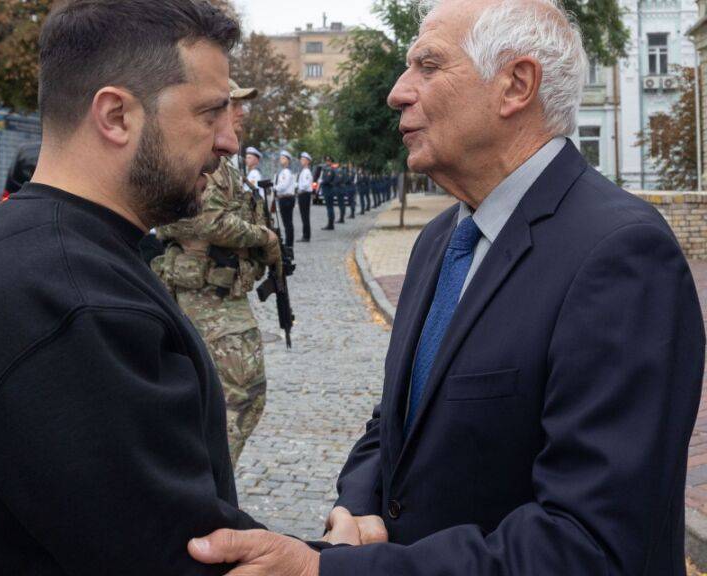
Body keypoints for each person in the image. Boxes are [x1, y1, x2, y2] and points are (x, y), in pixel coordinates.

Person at [187, 0, 706, 574]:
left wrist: (327, 570)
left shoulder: (620, 254)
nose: (398, 92)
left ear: (515, 85)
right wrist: (358, 506)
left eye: (428, 66)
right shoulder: (442, 238)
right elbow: (400, 419)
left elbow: (590, 543)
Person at [0, 1, 265, 573]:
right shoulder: (69, 296)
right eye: (209, 113)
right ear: (116, 116)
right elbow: (179, 556)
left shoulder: (48, 243)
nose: (228, 141)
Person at [153, 79, 280, 466]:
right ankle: (208, 483)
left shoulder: (224, 163)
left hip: (217, 291)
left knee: (218, 394)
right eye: (232, 104)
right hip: (206, 295)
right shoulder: (200, 160)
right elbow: (203, 221)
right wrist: (265, 237)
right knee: (242, 392)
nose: (240, 112)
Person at [274, 150, 297, 248]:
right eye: (281, 158)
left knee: (287, 223)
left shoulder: (286, 172)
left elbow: (283, 186)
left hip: (286, 199)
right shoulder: (284, 171)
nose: (281, 160)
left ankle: (289, 244)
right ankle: (288, 243)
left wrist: (273, 187)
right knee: (287, 222)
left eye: (283, 158)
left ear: (288, 160)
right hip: (285, 198)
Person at [296, 152, 314, 242]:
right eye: (301, 159)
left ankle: (306, 236)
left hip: (304, 194)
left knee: (305, 216)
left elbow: (305, 185)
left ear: (307, 161)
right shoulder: (303, 171)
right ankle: (305, 235)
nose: (301, 161)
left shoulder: (307, 172)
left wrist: (298, 188)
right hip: (302, 194)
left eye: (303, 160)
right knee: (304, 216)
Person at [319, 157, 337, 230]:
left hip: (328, 190)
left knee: (330, 208)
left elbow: (327, 180)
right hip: (328, 190)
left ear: (331, 162)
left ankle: (330, 224)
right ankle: (330, 224)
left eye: (329, 161)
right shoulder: (327, 169)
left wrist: (321, 181)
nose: (327, 162)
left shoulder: (330, 170)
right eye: (326, 161)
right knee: (329, 208)